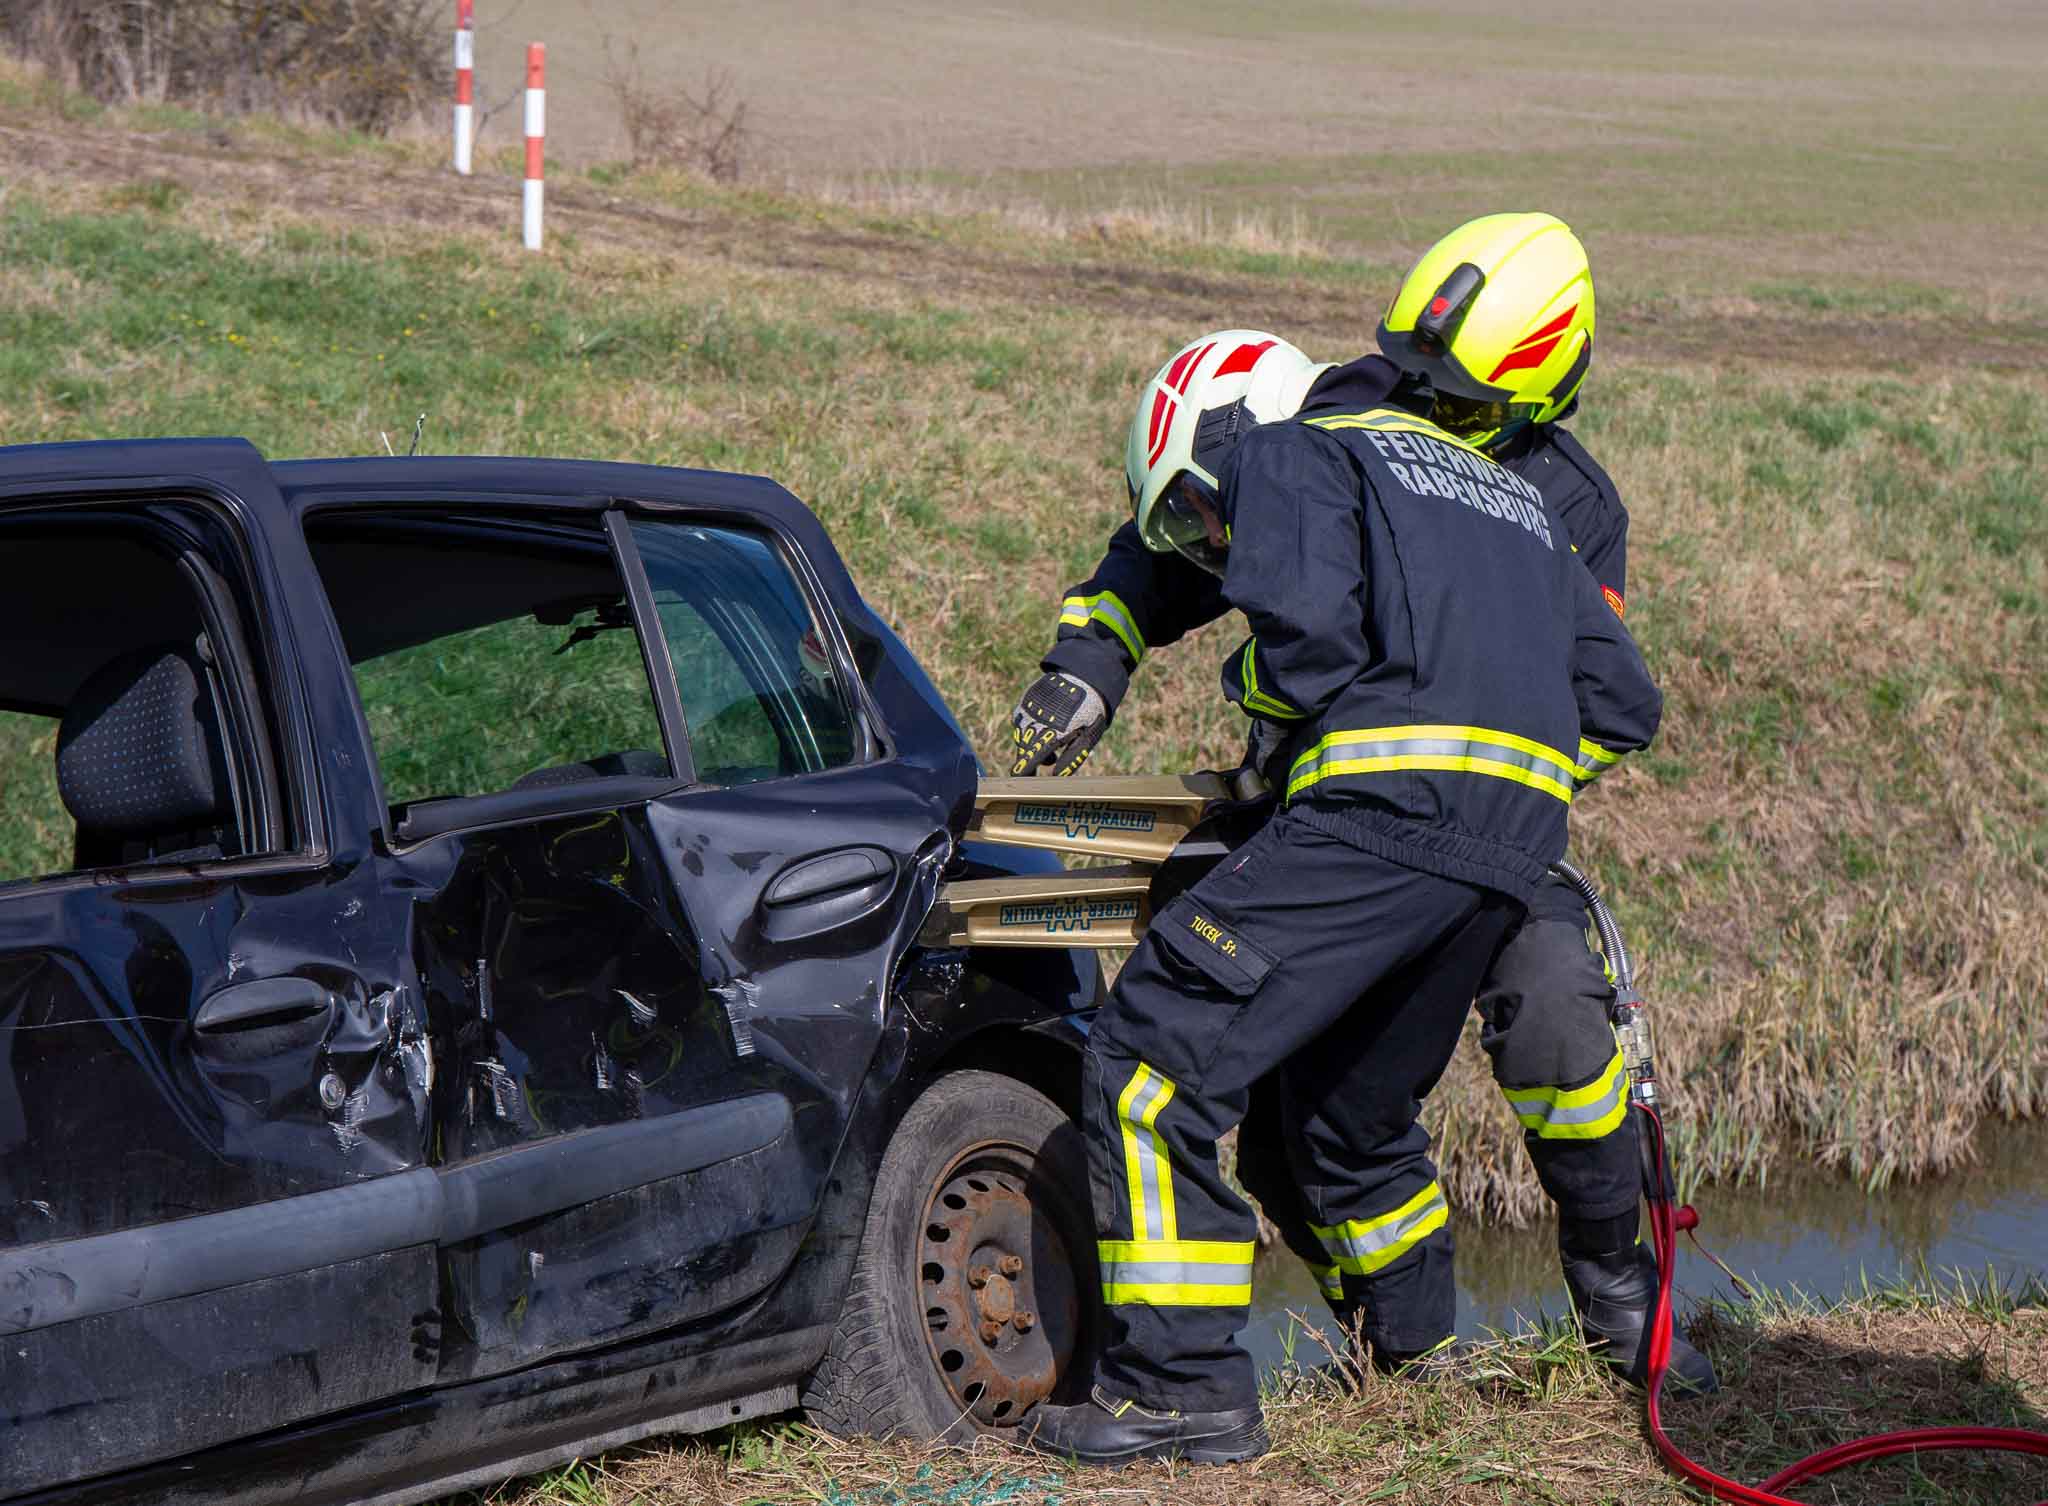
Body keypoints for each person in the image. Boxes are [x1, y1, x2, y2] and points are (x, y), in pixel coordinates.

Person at [1012, 215, 1719, 1411]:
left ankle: (1621, 1299)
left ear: (1539, 392)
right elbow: (1183, 537)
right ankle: (1402, 1354)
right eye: (1421, 378)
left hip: (1481, 819)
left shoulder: (1572, 502)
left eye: (1468, 404)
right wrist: (1091, 658)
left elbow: (1589, 697)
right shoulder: (1346, 409)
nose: (1436, 407)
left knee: (1558, 1022)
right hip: (1336, 798)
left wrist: (1495, 778)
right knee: (1330, 1106)